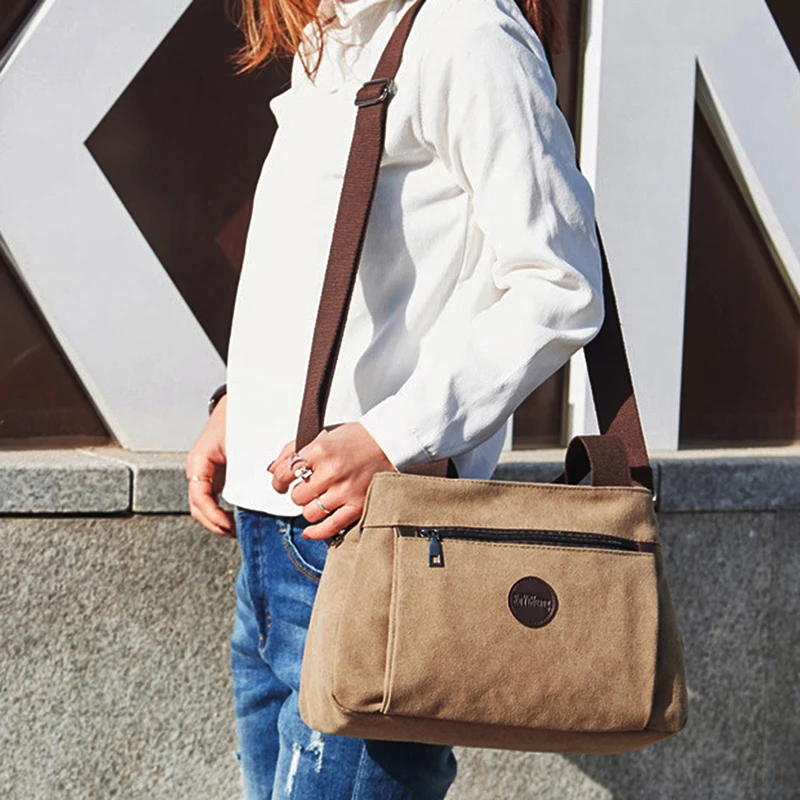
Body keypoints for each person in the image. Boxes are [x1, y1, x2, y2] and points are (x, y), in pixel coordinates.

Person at [186, 0, 604, 795]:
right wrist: (246, 402)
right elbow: (316, 263)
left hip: (377, 541)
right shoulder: (333, 34)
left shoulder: (468, 34)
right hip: (272, 539)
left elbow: (560, 286)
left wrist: (391, 435)